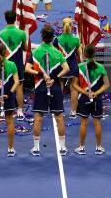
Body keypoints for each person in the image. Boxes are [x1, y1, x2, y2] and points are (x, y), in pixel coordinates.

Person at [26, 25, 70, 156]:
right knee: (59, 118)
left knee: (38, 118)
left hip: (40, 87)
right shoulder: (58, 53)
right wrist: (54, 79)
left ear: (42, 37)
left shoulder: (35, 52)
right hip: (55, 88)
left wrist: (40, 74)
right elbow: (66, 68)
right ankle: (62, 147)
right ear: (52, 38)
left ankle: (36, 148)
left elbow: (27, 69)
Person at [72, 45, 110, 155]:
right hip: (96, 99)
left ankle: (81, 147)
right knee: (97, 123)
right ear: (94, 54)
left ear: (84, 54)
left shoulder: (79, 67)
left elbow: (74, 85)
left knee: (83, 123)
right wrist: (95, 93)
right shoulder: (101, 67)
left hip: (84, 98)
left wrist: (85, 92)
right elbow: (107, 84)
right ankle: (99, 147)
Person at [0, 10, 28, 120]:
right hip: (17, 63)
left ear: (5, 19)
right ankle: (19, 110)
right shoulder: (22, 33)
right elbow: (25, 48)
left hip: (4, 64)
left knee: (2, 85)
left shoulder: (0, 34)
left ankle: (2, 109)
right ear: (15, 19)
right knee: (19, 86)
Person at [54, 18, 82, 119]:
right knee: (74, 89)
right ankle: (73, 112)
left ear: (62, 25)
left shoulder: (57, 39)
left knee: (59, 88)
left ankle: (59, 110)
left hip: (61, 67)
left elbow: (54, 54)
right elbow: (80, 55)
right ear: (72, 26)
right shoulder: (76, 39)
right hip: (73, 67)